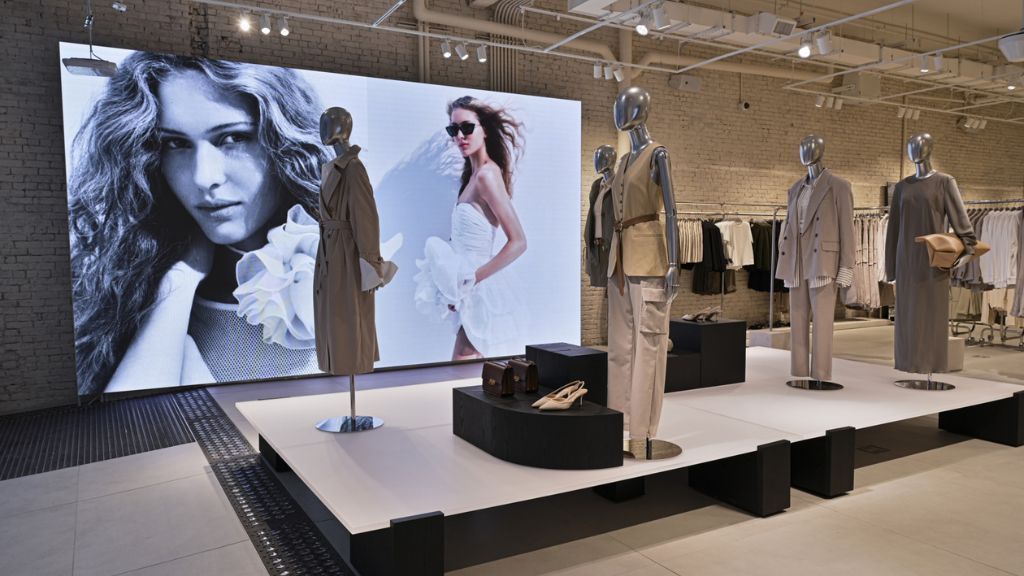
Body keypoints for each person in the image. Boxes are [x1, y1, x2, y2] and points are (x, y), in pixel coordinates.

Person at [67, 51, 331, 395]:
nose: (204, 177)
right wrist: (179, 282)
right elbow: (128, 421)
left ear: (284, 142)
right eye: (175, 144)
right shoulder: (131, 295)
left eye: (233, 138)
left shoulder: (346, 269)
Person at [413, 96, 527, 360]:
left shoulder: (487, 175)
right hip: (469, 290)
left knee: (463, 368)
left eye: (467, 127)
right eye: (453, 130)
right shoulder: (472, 177)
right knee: (471, 371)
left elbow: (519, 241)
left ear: (484, 129)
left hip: (481, 290)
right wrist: (453, 284)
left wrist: (472, 280)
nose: (460, 136)